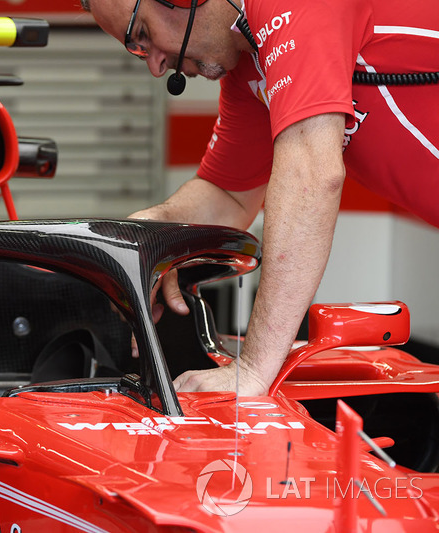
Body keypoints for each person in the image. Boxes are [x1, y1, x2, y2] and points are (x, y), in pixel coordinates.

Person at [81, 0, 439, 395]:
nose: (155, 65)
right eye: (137, 49)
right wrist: (150, 234)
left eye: (144, 34)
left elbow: (312, 175)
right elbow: (228, 196)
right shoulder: (251, 59)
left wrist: (252, 370)